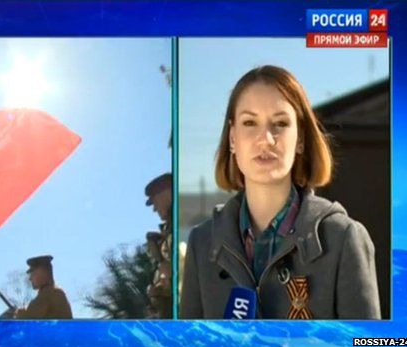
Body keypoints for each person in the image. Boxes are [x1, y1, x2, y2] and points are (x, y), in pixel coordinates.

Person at [180, 65, 381, 319]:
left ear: (300, 140)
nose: (266, 139)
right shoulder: (202, 243)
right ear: (233, 138)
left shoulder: (343, 239)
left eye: (280, 123)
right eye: (250, 122)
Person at [144, 173, 173, 319]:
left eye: (154, 201)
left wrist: (162, 291)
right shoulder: (168, 230)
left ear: (166, 193)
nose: (154, 209)